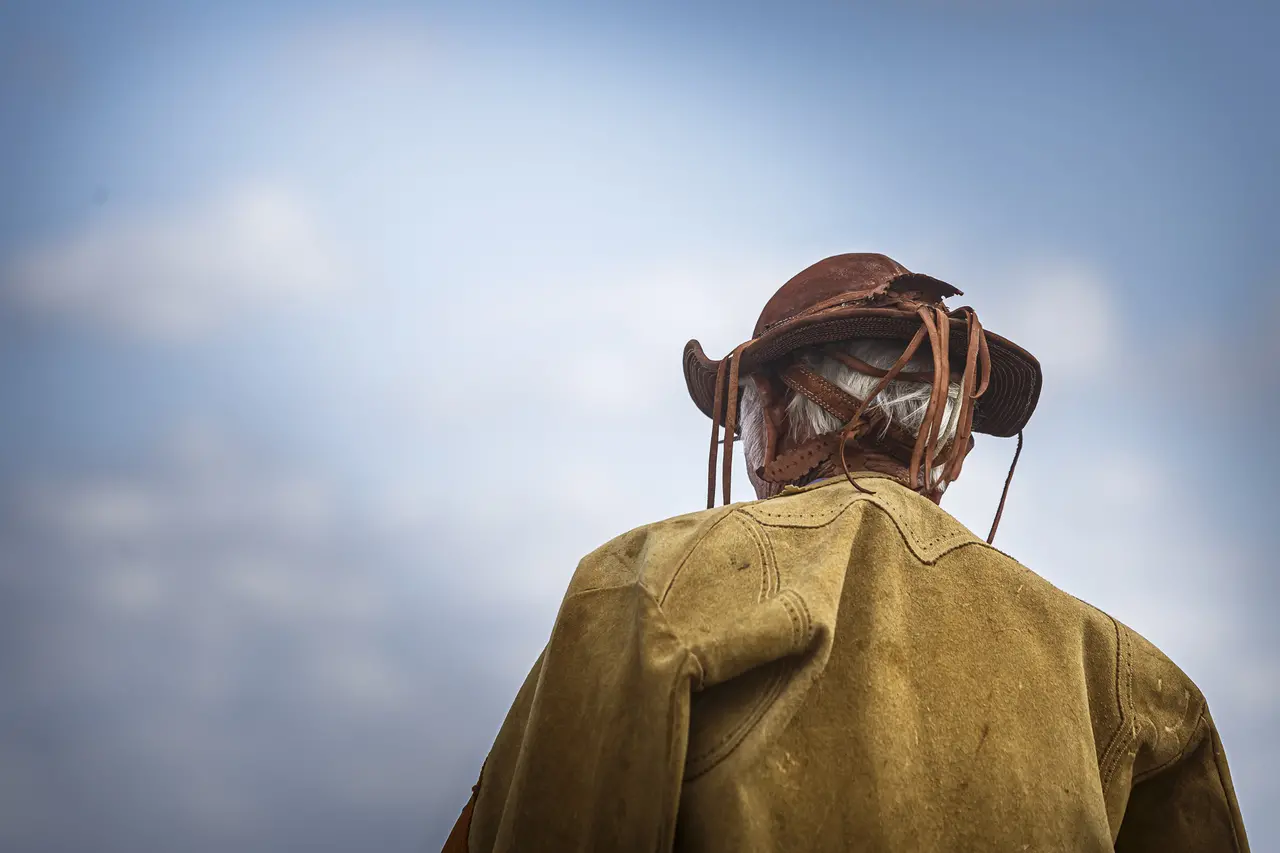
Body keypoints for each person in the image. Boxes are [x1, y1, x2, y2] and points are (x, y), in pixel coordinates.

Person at [444, 253, 1250, 852]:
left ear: (773, 411)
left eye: (741, 418)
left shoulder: (649, 581)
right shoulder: (1135, 676)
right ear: (942, 438)